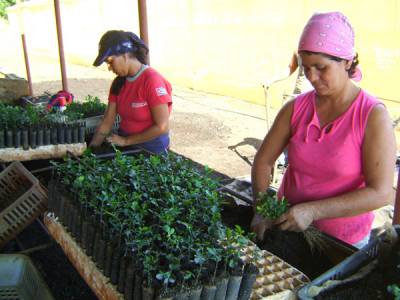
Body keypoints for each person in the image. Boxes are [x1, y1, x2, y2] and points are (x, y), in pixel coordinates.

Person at [251, 12, 396, 248]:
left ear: (347, 62)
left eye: (321, 68)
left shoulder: (372, 116)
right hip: (288, 227)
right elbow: (263, 162)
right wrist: (261, 208)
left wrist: (313, 211)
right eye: (306, 68)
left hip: (341, 242)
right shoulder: (295, 109)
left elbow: (381, 192)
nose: (312, 78)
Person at [89, 30, 172, 154]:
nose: (110, 68)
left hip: (151, 150)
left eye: (111, 61)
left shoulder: (152, 80)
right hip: (126, 146)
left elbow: (162, 127)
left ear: (125, 55)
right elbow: (107, 122)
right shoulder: (118, 84)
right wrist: (90, 152)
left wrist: (126, 141)